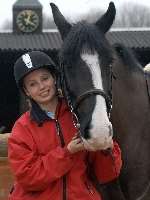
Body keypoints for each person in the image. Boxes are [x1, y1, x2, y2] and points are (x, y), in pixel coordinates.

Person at [8, 50, 122, 200]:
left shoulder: (80, 116)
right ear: (26, 91)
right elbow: (28, 178)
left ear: (54, 77)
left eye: (45, 78)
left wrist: (106, 149)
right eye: (32, 84)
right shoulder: (21, 128)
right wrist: (67, 153)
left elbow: (107, 174)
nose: (42, 86)